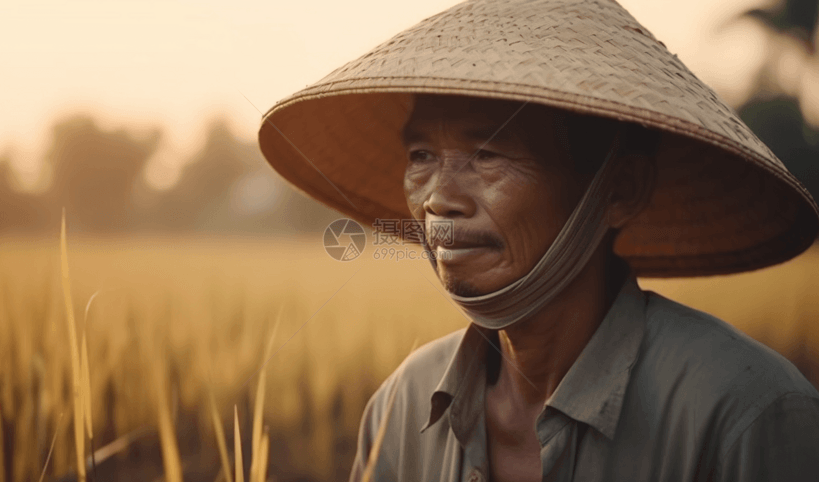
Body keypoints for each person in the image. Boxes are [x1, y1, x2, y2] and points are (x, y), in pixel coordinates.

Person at [257, 0, 819, 480]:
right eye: (421, 156)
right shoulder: (401, 409)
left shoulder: (747, 413)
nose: (438, 200)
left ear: (619, 189)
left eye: (488, 154)